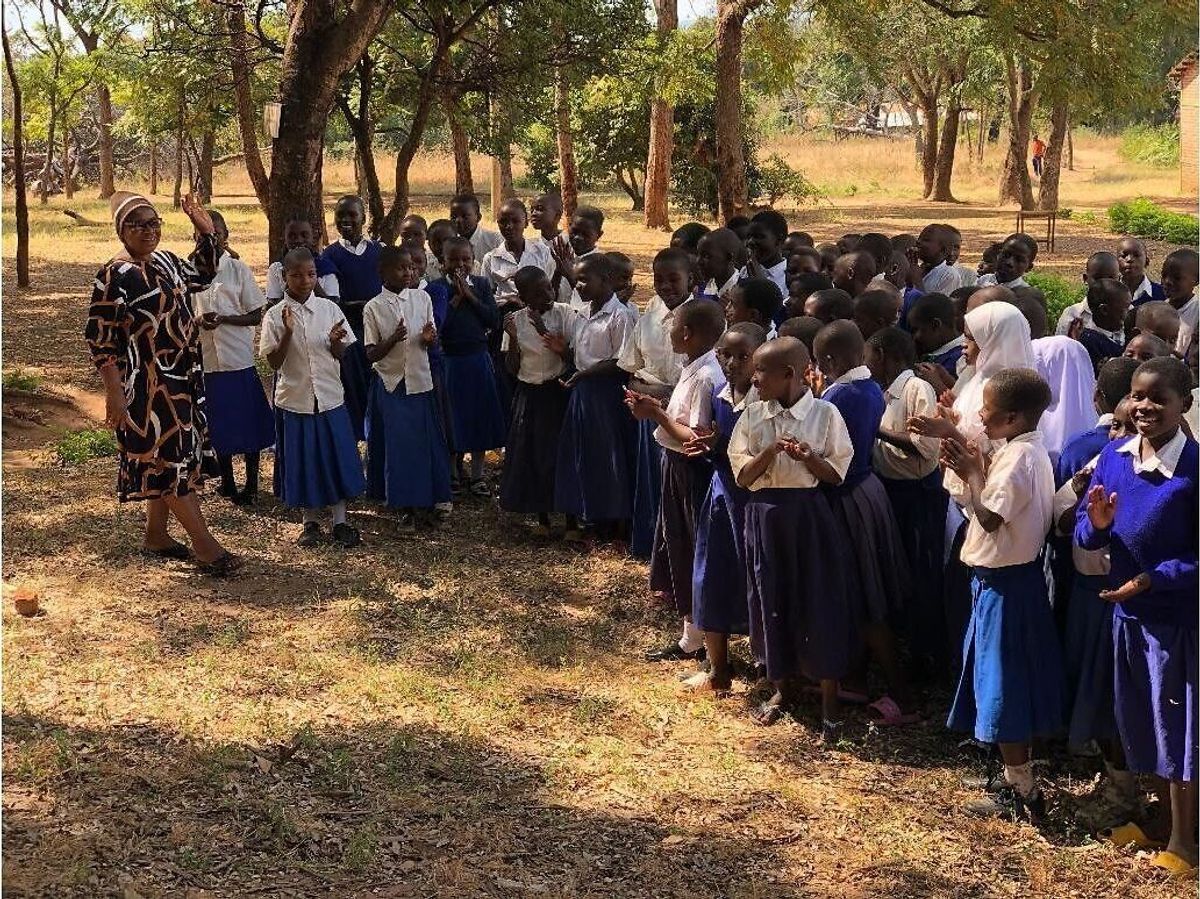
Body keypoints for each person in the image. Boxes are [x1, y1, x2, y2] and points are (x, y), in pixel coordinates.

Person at [1075, 356, 1198, 874]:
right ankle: (1157, 823)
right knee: (1142, 720)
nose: (1144, 406)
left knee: (1178, 729)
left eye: (1158, 399)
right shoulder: (1114, 456)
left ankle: (1185, 843)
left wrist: (1154, 579)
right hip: (1128, 616)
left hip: (1174, 621)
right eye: (1137, 396)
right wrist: (1098, 525)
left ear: (1184, 404)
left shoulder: (1193, 470)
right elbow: (1086, 531)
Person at [86, 190, 237, 575]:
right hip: (145, 387)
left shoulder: (168, 261)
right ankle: (205, 545)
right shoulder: (113, 276)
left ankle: (156, 535)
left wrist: (205, 230)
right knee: (166, 461)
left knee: (170, 457)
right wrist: (114, 393)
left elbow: (203, 273)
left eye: (153, 223)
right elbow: (101, 341)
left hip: (181, 378)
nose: (148, 231)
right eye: (137, 225)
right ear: (121, 231)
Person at [942, 367, 1063, 821]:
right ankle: (1013, 773)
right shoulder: (1022, 451)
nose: (980, 415)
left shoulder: (1019, 459)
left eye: (987, 410)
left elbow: (991, 517)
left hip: (1007, 586)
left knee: (1004, 686)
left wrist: (974, 472)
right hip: (1005, 582)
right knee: (998, 679)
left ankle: (1022, 788)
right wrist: (975, 467)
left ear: (1013, 418)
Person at [728, 337, 855, 737]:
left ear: (789, 374)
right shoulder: (752, 415)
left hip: (808, 518)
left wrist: (808, 458)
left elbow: (836, 474)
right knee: (771, 595)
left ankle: (829, 699)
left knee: (818, 598)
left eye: (761, 371)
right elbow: (742, 477)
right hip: (765, 517)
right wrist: (769, 453)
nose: (754, 378)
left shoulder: (825, 414)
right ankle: (781, 685)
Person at [813, 321, 916, 724]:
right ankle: (855, 679)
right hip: (866, 492)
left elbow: (827, 451)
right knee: (858, 596)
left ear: (829, 361)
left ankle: (902, 695)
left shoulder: (838, 396)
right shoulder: (870, 387)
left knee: (866, 598)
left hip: (845, 500)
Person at [1051, 399, 1139, 828]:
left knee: (1113, 696)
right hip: (1088, 594)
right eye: (1114, 426)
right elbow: (1066, 522)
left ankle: (1125, 791)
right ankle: (1115, 781)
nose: (1117, 435)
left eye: (1127, 428)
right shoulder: (1102, 462)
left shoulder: (1144, 475)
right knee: (1094, 689)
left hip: (1119, 597)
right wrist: (1081, 490)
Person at [627, 301, 727, 669]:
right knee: (678, 543)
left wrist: (656, 414)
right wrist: (660, 407)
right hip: (675, 465)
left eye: (673, 326)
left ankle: (703, 641)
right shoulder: (694, 366)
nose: (668, 331)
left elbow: (694, 437)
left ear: (686, 333)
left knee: (690, 544)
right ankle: (692, 635)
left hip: (690, 470)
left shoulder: (705, 376)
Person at [260, 247, 366, 548]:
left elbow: (341, 354)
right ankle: (310, 522)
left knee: (335, 458)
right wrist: (288, 333)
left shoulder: (330, 310)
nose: (305, 281)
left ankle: (340, 521)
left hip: (330, 398)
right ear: (284, 277)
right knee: (305, 462)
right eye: (296, 275)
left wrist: (335, 343)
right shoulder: (275, 316)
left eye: (311, 274)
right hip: (296, 400)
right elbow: (274, 363)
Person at [688, 323, 767, 690]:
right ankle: (718, 668)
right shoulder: (720, 395)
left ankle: (768, 668)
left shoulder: (765, 402)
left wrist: (718, 445)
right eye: (725, 355)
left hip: (754, 500)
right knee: (711, 574)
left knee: (758, 579)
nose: (732, 363)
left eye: (742, 356)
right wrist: (709, 447)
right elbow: (715, 445)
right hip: (722, 495)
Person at [866, 326, 947, 681]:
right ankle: (903, 642)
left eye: (869, 357)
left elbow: (925, 446)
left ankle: (924, 653)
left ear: (883, 356)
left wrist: (875, 428)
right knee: (896, 569)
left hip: (917, 495)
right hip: (890, 491)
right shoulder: (880, 392)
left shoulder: (916, 389)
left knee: (920, 571)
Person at [362, 246, 449, 533]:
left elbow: (430, 341)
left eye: (411, 267)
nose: (409, 273)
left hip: (420, 382)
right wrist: (393, 339)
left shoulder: (422, 298)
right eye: (401, 268)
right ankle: (404, 507)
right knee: (399, 447)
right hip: (392, 384)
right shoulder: (373, 307)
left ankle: (428, 502)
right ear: (383, 272)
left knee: (425, 444)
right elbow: (371, 354)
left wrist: (429, 339)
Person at [191, 210, 274, 506]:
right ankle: (227, 481)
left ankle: (251, 485)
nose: (211, 239)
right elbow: (185, 315)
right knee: (219, 424)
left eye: (216, 234)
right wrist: (199, 321)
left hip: (238, 360)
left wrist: (224, 318)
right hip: (209, 362)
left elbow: (255, 314)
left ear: (225, 236)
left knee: (248, 424)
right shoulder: (190, 272)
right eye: (203, 235)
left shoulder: (238, 269)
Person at [553, 253, 637, 539]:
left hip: (606, 394)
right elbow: (580, 353)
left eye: (584, 280)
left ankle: (615, 520)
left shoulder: (619, 316)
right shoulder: (582, 312)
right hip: (582, 391)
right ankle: (590, 514)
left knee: (607, 455)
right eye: (576, 280)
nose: (578, 285)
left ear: (606, 280)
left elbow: (622, 361)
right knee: (584, 453)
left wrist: (585, 374)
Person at [618, 248, 692, 562]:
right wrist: (651, 391)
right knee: (651, 481)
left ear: (691, 279)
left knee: (680, 486)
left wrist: (670, 391)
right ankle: (651, 544)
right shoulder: (647, 320)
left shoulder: (704, 318)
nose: (665, 286)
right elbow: (630, 373)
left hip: (687, 418)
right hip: (650, 412)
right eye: (659, 279)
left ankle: (679, 550)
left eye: (674, 279)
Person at [499, 267, 576, 536]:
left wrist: (544, 331)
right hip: (529, 393)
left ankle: (571, 521)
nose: (548, 295)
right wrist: (512, 338)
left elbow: (572, 358)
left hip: (557, 392)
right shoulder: (515, 321)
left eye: (549, 288)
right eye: (539, 292)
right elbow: (512, 367)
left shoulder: (565, 313)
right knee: (532, 454)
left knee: (560, 453)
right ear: (523, 297)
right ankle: (542, 519)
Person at [426, 236, 506, 496]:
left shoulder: (481, 285)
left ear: (473, 260)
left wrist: (470, 296)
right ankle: (452, 472)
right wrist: (456, 300)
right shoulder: (437, 288)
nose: (460, 265)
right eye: (453, 260)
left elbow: (493, 320)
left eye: (466, 259)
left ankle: (478, 474)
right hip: (450, 361)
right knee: (452, 417)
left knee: (479, 415)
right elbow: (437, 326)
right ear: (442, 262)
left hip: (477, 358)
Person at [482, 198, 555, 419]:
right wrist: (508, 301)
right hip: (508, 320)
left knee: (535, 367)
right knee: (508, 373)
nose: (509, 226)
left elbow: (549, 286)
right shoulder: (491, 258)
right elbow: (487, 296)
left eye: (515, 221)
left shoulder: (541, 251)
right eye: (503, 222)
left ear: (526, 222)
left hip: (538, 317)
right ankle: (512, 423)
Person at [321, 195, 383, 442]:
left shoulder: (379, 251)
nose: (346, 220)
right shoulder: (330, 255)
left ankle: (378, 440)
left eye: (352, 215)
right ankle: (357, 443)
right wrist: (358, 306)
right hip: (349, 333)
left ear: (364, 218)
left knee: (377, 386)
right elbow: (332, 302)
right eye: (340, 215)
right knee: (353, 389)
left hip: (379, 333)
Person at [1055, 357, 1141, 489]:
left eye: (1132, 428)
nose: (1121, 435)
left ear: (1097, 395)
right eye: (1116, 426)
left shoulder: (1078, 446)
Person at [265, 217, 340, 302]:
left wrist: (311, 280)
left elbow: (333, 304)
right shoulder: (277, 269)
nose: (298, 240)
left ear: (313, 238)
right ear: (284, 239)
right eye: (292, 236)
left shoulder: (326, 268)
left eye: (304, 235)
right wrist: (290, 280)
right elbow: (273, 303)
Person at [1055, 252, 1121, 338]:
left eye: (1110, 278)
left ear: (1119, 279)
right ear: (1085, 279)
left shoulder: (1127, 313)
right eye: (1098, 278)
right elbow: (1060, 344)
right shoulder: (1072, 315)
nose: (1104, 284)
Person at [552, 205, 605, 313]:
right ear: (569, 226)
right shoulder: (561, 255)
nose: (578, 238)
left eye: (586, 234)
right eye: (574, 231)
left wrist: (571, 276)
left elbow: (591, 306)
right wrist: (557, 273)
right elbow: (550, 298)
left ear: (599, 235)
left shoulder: (600, 265)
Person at [907, 292, 965, 389]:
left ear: (935, 325)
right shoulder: (932, 353)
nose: (915, 337)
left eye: (917, 329)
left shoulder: (961, 358)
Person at [1076, 279, 1132, 374]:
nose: (1129, 312)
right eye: (1126, 308)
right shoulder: (1090, 343)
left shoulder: (1122, 331)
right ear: (1104, 310)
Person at [740, 210, 789, 311]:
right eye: (748, 237)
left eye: (759, 236)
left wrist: (761, 284)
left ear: (779, 240)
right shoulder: (745, 271)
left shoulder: (788, 276)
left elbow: (780, 313)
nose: (750, 242)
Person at [450, 192, 503, 270]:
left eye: (465, 216)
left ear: (478, 217)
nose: (458, 220)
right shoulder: (449, 243)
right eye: (454, 217)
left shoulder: (494, 241)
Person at [1162, 248, 1199, 356]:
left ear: (1196, 281)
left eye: (1177, 278)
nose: (1167, 281)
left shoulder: (1197, 312)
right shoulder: (1159, 309)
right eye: (1164, 275)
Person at [910, 224, 964, 296]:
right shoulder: (921, 268)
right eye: (919, 238)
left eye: (926, 240)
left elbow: (934, 303)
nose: (918, 242)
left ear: (942, 250)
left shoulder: (949, 275)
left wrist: (916, 279)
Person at [695, 228, 742, 303]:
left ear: (729, 258)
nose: (698, 261)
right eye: (698, 254)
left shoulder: (745, 291)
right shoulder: (700, 290)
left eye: (707, 256)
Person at [1118, 237, 1165, 307]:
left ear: (1147, 262)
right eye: (1124, 256)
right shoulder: (1108, 291)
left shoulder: (1161, 294)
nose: (1129, 259)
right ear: (1116, 262)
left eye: (1136, 255)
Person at [607, 252, 641, 322]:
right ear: (606, 278)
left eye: (630, 279)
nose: (629, 284)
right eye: (624, 278)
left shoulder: (632, 308)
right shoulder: (591, 305)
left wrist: (622, 303)